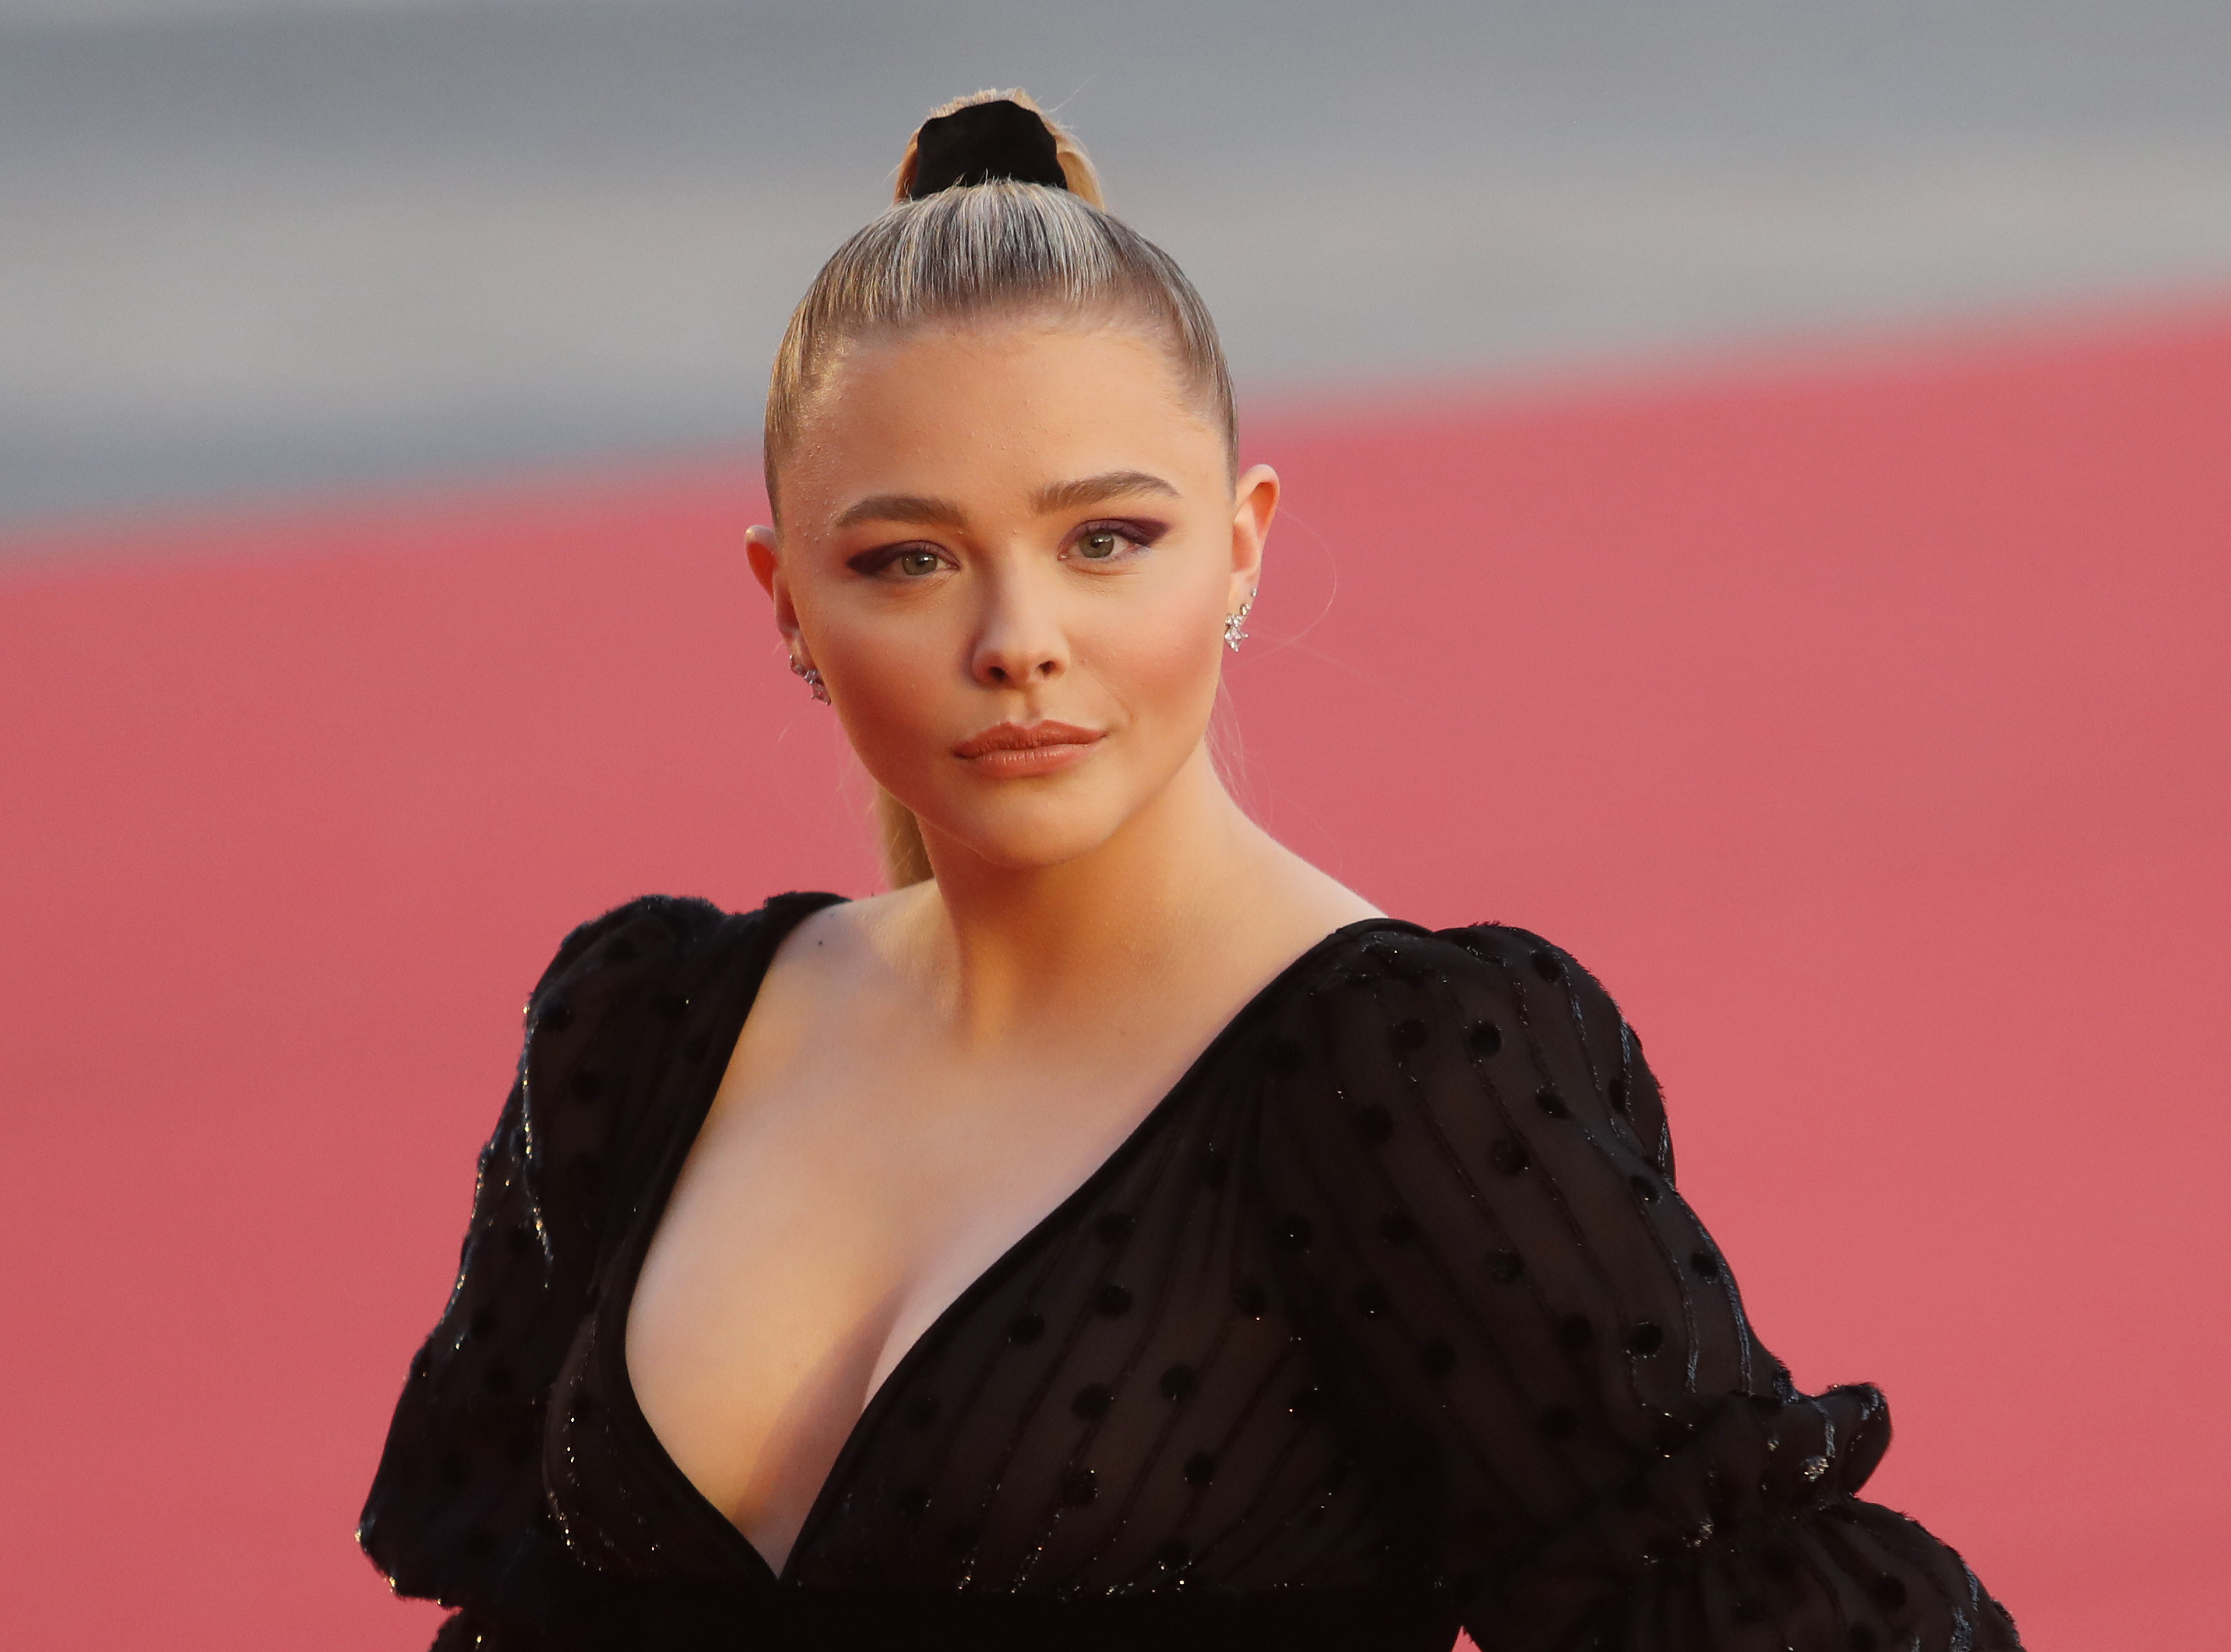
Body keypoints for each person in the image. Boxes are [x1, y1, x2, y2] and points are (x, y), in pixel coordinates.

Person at [359, 90, 2021, 1652]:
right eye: (906, 559)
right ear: (782, 594)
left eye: (1104, 539)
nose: (1017, 642)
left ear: (1239, 545)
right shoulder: (639, 1036)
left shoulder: (1400, 1074)